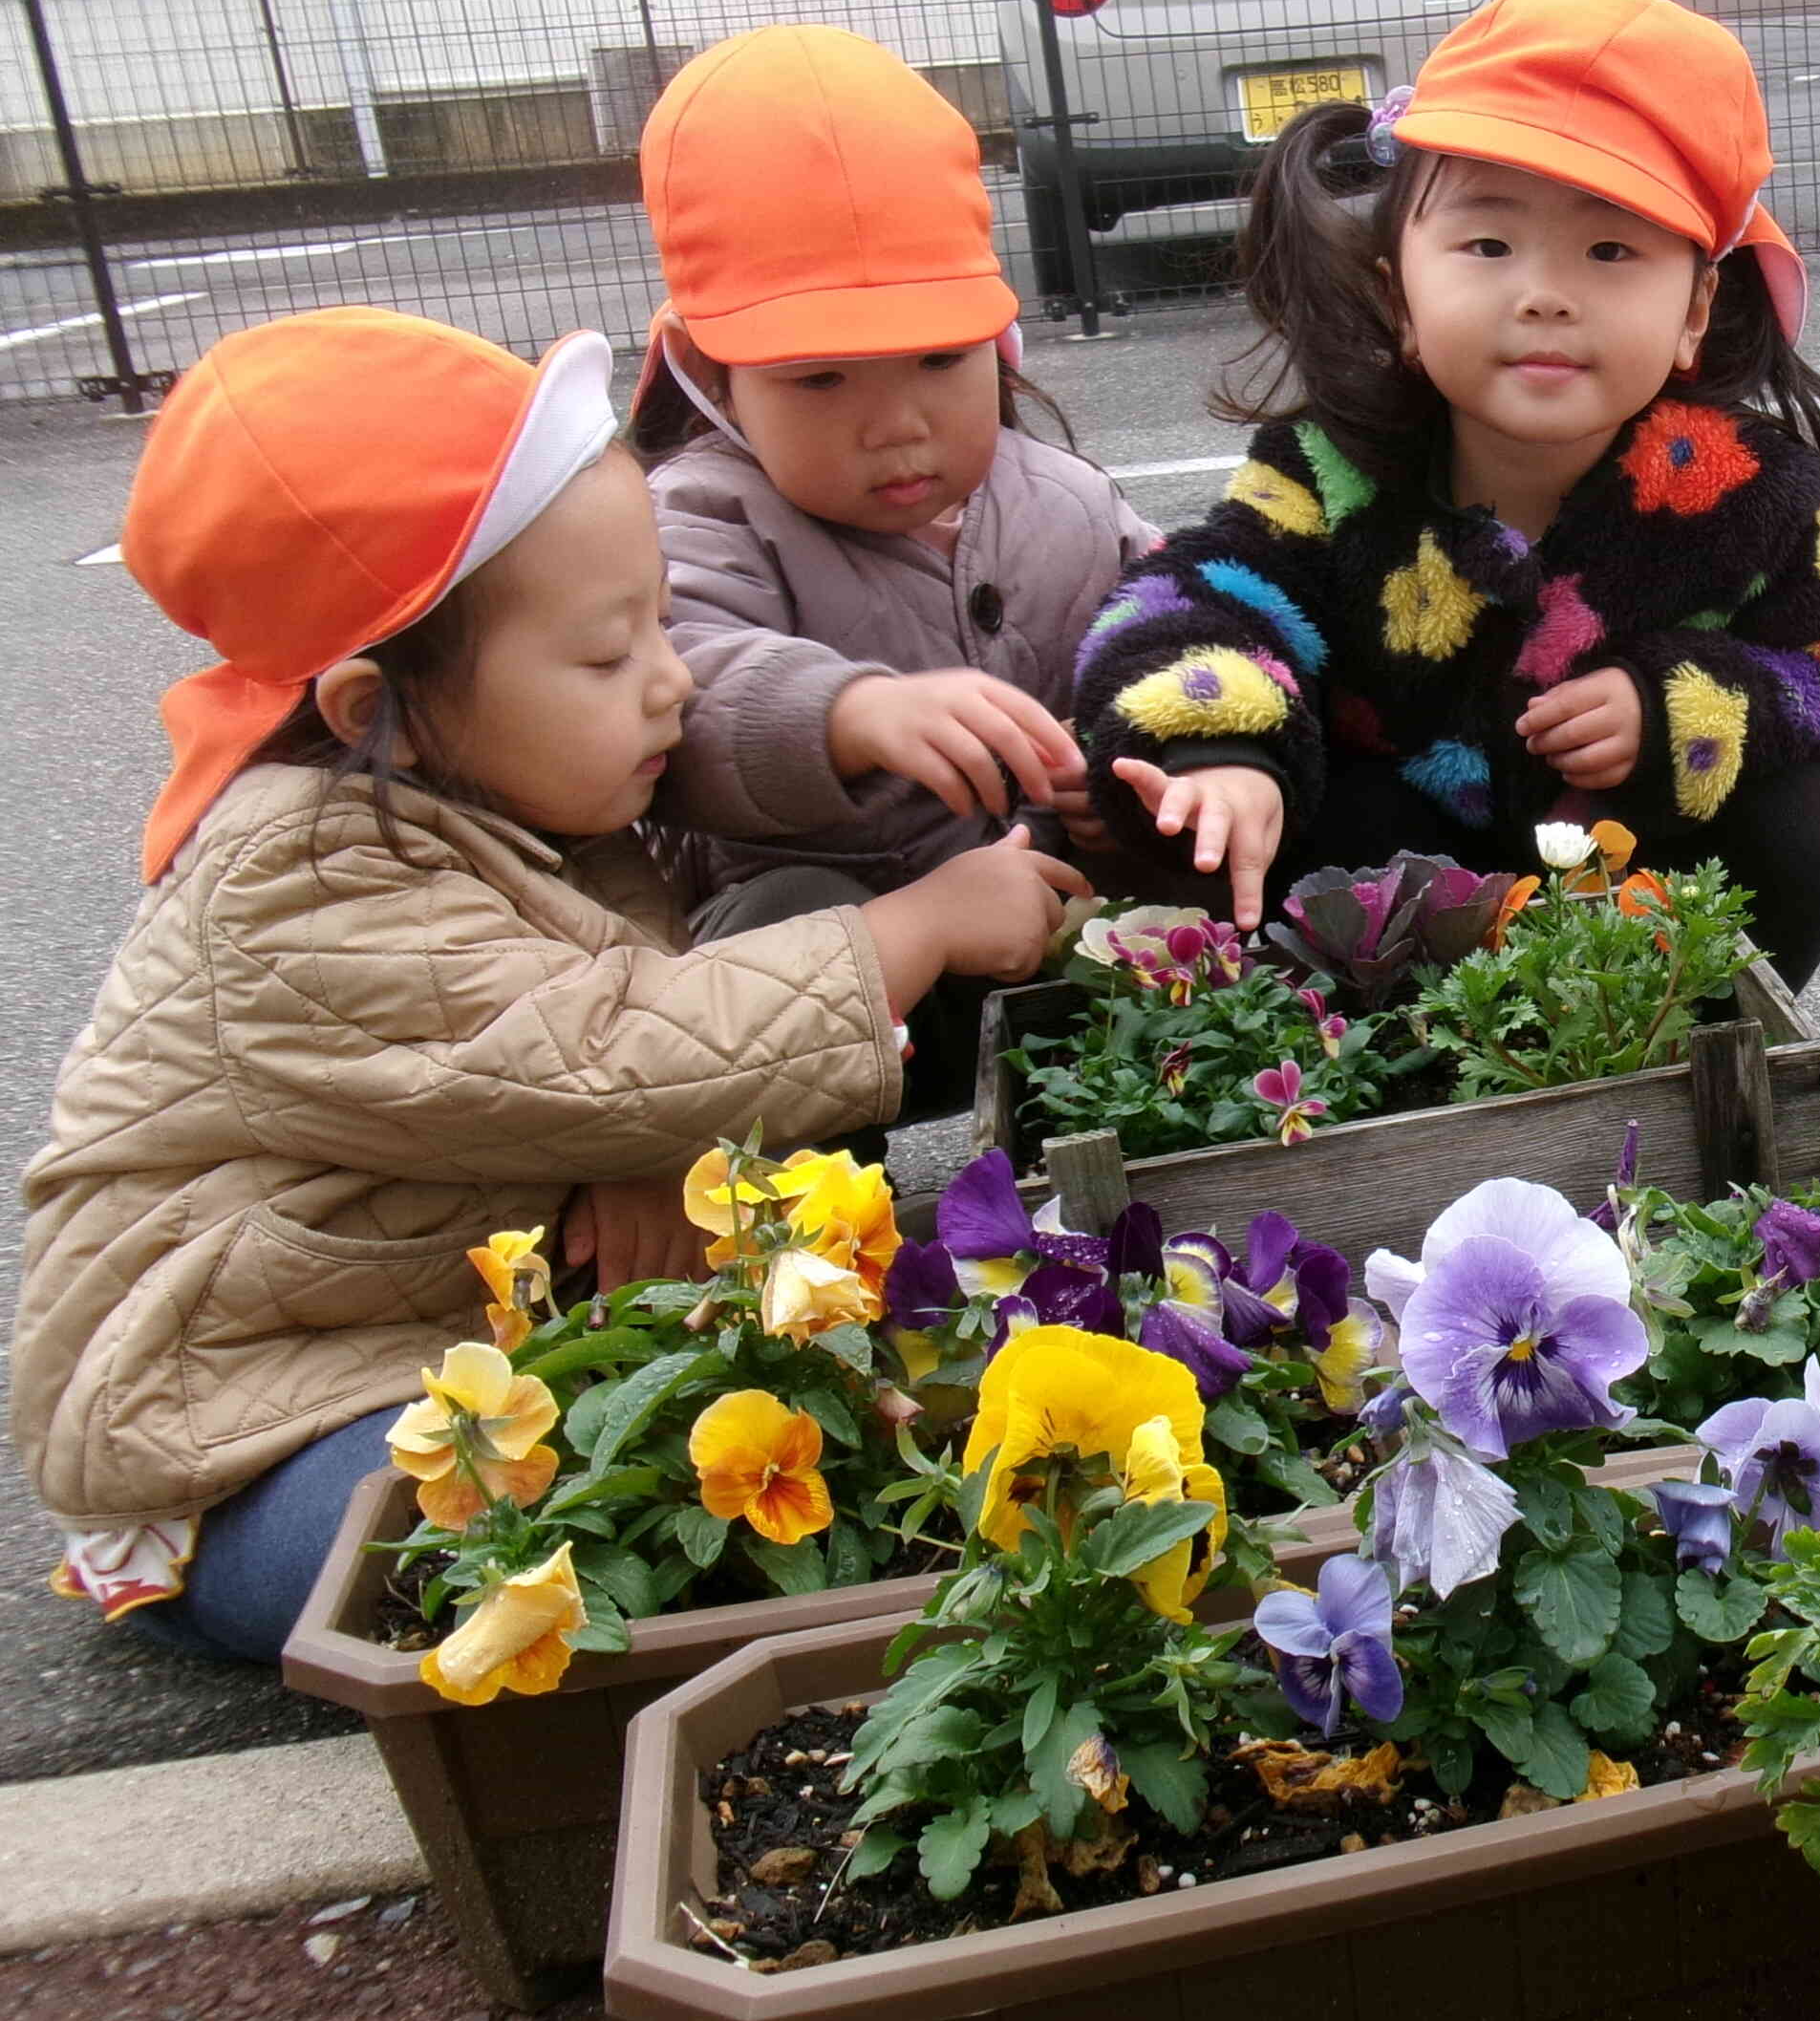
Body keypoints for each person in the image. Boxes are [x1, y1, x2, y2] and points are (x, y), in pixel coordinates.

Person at [17, 309, 1080, 1661]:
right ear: (368, 713)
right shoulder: (298, 879)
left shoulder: (508, 809)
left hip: (429, 1352)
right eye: (605, 654)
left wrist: (644, 1151)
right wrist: (919, 925)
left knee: (743, 1446)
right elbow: (618, 1051)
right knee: (567, 1536)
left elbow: (594, 1039)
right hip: (241, 1446)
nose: (670, 682)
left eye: (660, 627)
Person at [1071, 0, 1820, 988]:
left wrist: (1674, 707)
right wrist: (1223, 754)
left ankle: (1690, 1051)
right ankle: (1398, 1087)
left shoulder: (1745, 489)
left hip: (1631, 880)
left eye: (1611, 250)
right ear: (1398, 294)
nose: (1544, 293)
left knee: (1800, 825)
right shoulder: (1336, 465)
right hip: (1404, 907)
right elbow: (1187, 597)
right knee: (1314, 812)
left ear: (1694, 309)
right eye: (1488, 245)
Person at [629, 24, 1153, 1112]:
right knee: (786, 905)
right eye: (820, 379)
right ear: (712, 379)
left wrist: (1134, 779)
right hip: (840, 984)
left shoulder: (1065, 500)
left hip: (1056, 924)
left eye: (936, 357)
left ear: (999, 342)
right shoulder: (695, 515)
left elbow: (1178, 633)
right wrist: (847, 713)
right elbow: (679, 687)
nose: (897, 426)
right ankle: (807, 1250)